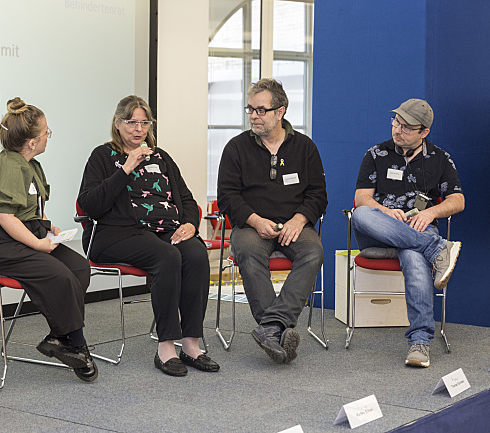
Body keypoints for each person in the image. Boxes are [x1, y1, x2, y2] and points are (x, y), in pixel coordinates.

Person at [77, 95, 219, 377]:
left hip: (165, 231)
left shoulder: (161, 156)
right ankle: (165, 347)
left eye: (144, 122)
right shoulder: (103, 157)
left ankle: (190, 344)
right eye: (131, 122)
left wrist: (190, 224)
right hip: (116, 234)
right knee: (167, 256)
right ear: (118, 124)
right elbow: (90, 204)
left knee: (195, 253)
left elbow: (188, 201)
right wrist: (126, 168)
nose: (138, 128)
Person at [0, 97, 96, 382]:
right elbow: (4, 217)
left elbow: (24, 210)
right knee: (60, 276)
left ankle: (58, 337)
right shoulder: (8, 166)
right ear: (31, 141)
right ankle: (77, 345)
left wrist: (47, 226)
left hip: (20, 233)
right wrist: (39, 244)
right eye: (45, 133)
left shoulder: (30, 164)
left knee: (78, 268)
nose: (47, 138)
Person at [217, 78, 327, 364]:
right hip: (251, 226)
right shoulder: (236, 148)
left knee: (313, 251)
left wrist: (300, 219)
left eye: (261, 110)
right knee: (249, 252)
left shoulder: (305, 148)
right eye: (250, 109)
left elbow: (318, 195)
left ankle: (271, 327)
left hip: (293, 224)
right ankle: (278, 329)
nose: (254, 115)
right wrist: (254, 220)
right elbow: (227, 196)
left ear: (281, 111)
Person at [351, 98, 464, 368]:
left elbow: (457, 201)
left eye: (405, 127)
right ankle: (437, 249)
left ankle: (420, 342)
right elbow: (362, 198)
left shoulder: (439, 158)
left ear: (424, 132)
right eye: (395, 122)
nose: (397, 130)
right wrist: (385, 211)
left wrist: (431, 213)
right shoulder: (376, 154)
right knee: (361, 214)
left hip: (416, 231)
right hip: (378, 232)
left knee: (413, 256)